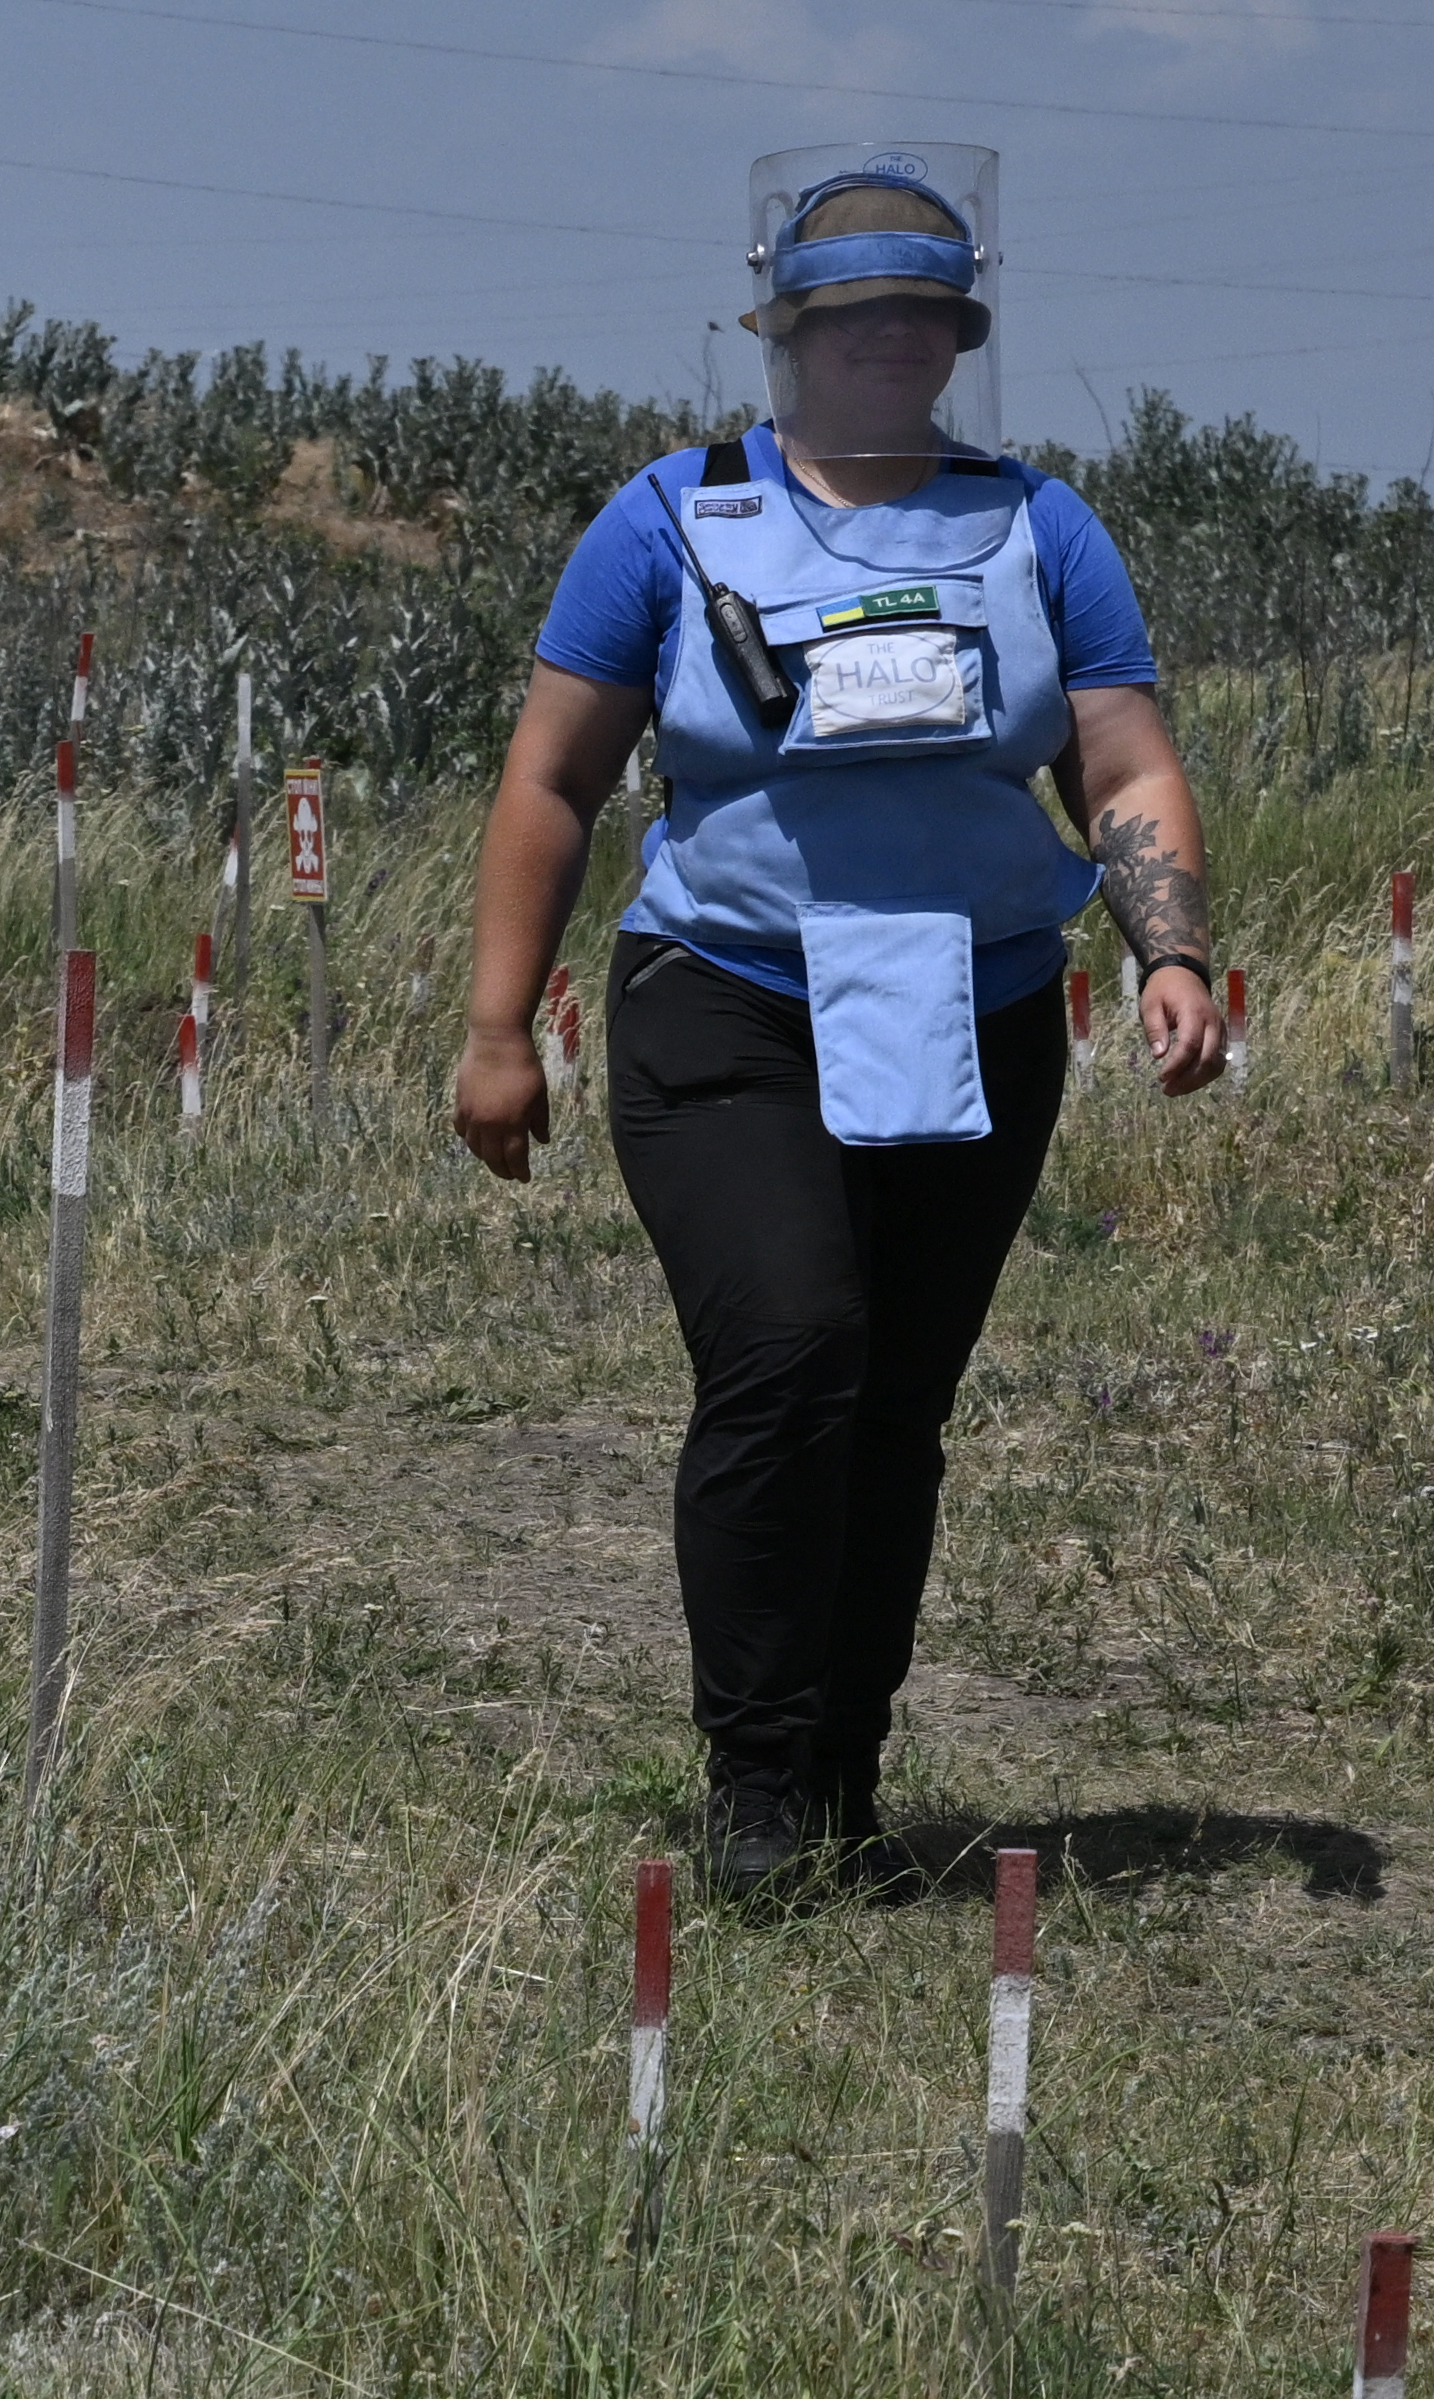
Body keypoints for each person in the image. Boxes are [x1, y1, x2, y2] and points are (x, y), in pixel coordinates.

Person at [448, 163, 1229, 1903]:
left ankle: (842, 1782)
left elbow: (1118, 762)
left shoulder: (1038, 527)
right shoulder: (670, 517)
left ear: (958, 336)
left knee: (889, 1405)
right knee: (788, 1350)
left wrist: (1170, 950)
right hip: (725, 1001)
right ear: (782, 329)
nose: (893, 343)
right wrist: (499, 1023)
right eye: (854, 314)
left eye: (925, 316)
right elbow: (551, 777)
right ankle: (749, 1790)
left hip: (973, 1009)